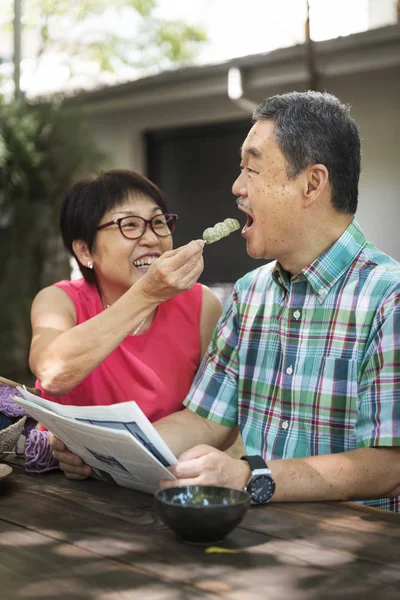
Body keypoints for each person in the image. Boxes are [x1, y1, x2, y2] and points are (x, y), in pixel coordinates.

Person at [150, 91, 399, 512]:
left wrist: (251, 476)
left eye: (252, 168)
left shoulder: (388, 299)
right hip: (257, 542)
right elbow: (206, 419)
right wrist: (111, 447)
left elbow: (390, 467)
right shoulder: (249, 294)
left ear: (312, 183)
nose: (236, 187)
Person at [30, 169, 225, 476]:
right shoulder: (58, 301)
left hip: (162, 483)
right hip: (65, 488)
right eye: (129, 225)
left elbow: (219, 421)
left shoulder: (201, 306)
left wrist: (111, 458)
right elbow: (53, 373)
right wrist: (146, 294)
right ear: (85, 251)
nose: (151, 237)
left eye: (159, 222)